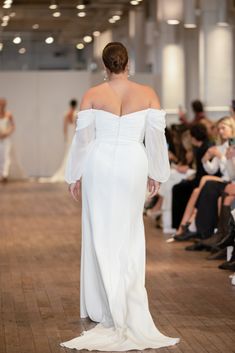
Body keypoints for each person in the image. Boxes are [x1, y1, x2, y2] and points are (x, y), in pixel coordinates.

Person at [60, 42, 180, 351]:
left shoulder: (92, 95)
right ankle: (124, 298)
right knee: (129, 233)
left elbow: (83, 140)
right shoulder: (148, 94)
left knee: (100, 232)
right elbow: (156, 139)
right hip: (132, 163)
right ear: (128, 63)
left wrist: (75, 174)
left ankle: (104, 306)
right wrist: (157, 171)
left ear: (104, 65)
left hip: (100, 163)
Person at [49, 99, 78, 182]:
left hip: (69, 134)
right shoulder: (76, 113)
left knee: (68, 153)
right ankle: (73, 172)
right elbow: (76, 126)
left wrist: (66, 136)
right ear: (75, 105)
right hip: (74, 134)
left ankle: (68, 171)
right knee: (74, 153)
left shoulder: (66, 114)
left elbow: (64, 127)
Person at [0, 98, 15, 182]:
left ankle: (5, 175)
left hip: (6, 139)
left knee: (6, 156)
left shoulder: (8, 114)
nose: (1, 106)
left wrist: (7, 133)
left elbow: (13, 126)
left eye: (3, 105)